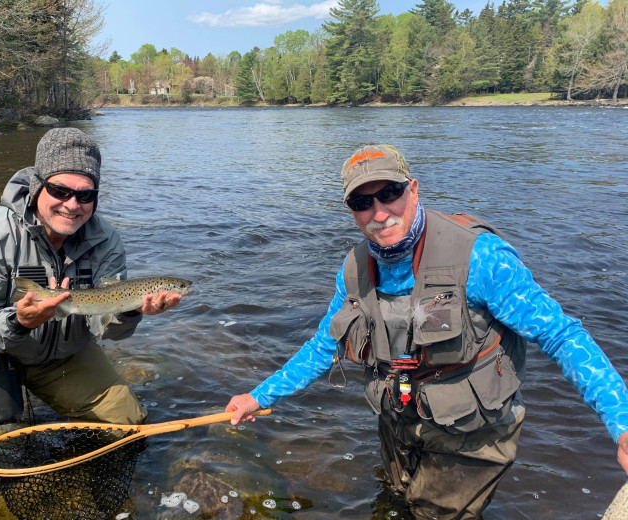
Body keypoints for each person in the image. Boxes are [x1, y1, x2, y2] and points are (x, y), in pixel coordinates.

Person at [225, 144, 628, 520]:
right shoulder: (353, 270)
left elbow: (561, 335)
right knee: (400, 500)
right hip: (398, 418)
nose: (379, 213)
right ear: (351, 210)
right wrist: (257, 397)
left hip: (472, 433)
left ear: (413, 189)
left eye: (390, 193)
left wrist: (622, 422)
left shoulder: (481, 257)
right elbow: (323, 347)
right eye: (362, 203)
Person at [0, 127, 184, 514]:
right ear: (37, 187)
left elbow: (104, 329)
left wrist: (130, 310)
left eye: (85, 195)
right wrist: (18, 322)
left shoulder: (107, 241)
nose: (72, 205)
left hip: (66, 352)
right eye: (60, 191)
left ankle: (87, 464)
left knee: (128, 423)